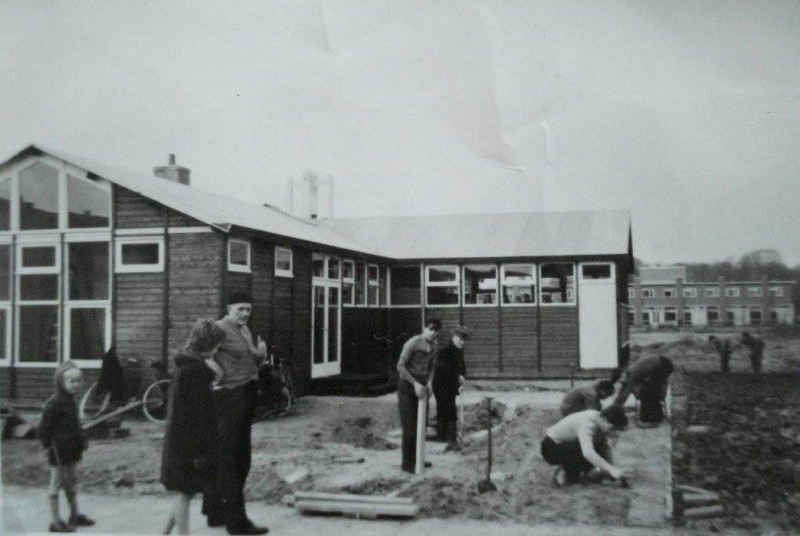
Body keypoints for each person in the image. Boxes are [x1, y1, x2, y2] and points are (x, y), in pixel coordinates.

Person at [202, 292, 269, 535]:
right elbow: (200, 356)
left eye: (248, 309)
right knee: (235, 459)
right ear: (229, 308)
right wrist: (218, 375)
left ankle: (215, 513)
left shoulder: (244, 330)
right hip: (230, 396)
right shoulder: (219, 328)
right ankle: (237, 522)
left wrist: (259, 356)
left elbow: (250, 362)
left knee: (231, 456)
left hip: (246, 392)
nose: (244, 313)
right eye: (240, 309)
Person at [161, 320, 226, 535]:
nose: (218, 350)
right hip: (188, 444)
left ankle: (163, 532)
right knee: (184, 493)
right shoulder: (194, 372)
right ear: (209, 345)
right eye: (217, 345)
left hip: (183, 441)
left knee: (185, 491)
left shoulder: (188, 368)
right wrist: (199, 451)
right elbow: (193, 416)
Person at [38, 361, 95, 533]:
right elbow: (43, 429)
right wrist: (49, 446)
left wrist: (82, 439)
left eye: (78, 380)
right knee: (56, 484)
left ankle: (74, 515)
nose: (75, 385)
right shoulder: (54, 403)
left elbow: (76, 424)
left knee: (71, 483)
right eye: (71, 381)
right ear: (60, 383)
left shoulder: (71, 401)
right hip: (58, 451)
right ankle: (55, 521)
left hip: (71, 450)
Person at [540, 406, 629, 486]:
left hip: (565, 445)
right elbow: (588, 453)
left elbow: (604, 447)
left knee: (595, 452)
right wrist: (611, 469)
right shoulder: (588, 424)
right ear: (604, 419)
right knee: (586, 449)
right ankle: (562, 475)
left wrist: (612, 471)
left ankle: (575, 471)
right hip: (550, 449)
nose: (612, 432)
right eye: (612, 428)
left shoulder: (598, 419)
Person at [396, 318, 441, 473]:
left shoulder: (434, 346)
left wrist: (429, 383)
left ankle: (418, 458)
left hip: (422, 388)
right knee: (409, 427)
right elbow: (400, 367)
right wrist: (414, 383)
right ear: (424, 328)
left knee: (421, 425)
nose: (433, 332)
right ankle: (407, 463)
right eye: (431, 329)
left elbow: (432, 368)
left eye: (436, 330)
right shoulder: (413, 343)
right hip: (408, 387)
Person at [432, 326, 469, 452]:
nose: (462, 342)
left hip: (451, 385)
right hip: (441, 385)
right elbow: (445, 370)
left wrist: (463, 376)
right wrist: (457, 378)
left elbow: (462, 367)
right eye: (460, 339)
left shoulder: (459, 351)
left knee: (445, 410)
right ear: (454, 337)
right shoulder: (445, 352)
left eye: (464, 340)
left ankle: (442, 437)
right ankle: (451, 440)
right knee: (449, 410)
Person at [613, 355, 674, 427]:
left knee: (648, 393)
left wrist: (614, 410)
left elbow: (625, 394)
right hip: (659, 365)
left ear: (623, 373)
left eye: (620, 380)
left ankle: (653, 420)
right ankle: (655, 416)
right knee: (646, 391)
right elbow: (622, 393)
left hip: (663, 365)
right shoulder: (628, 374)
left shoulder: (631, 374)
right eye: (619, 382)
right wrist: (614, 407)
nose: (621, 382)